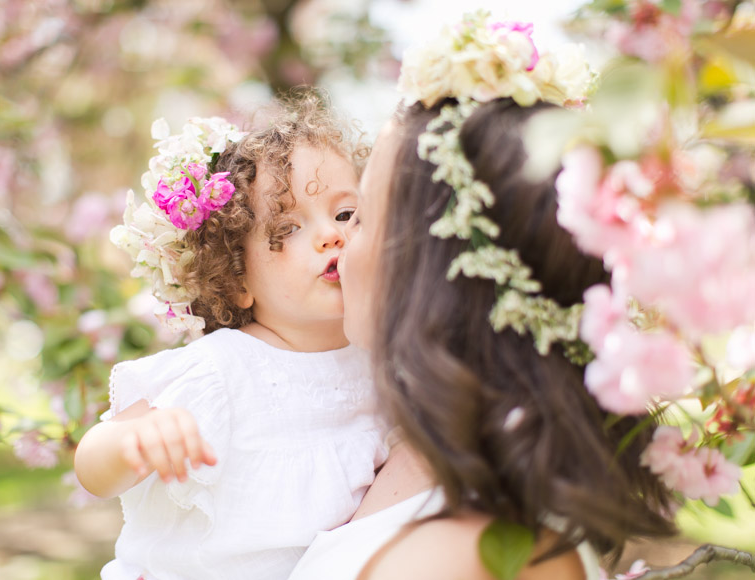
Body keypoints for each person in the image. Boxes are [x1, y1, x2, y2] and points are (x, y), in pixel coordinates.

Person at [289, 14, 675, 580]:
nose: (340, 248)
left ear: (429, 266)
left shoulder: (459, 558)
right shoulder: (401, 453)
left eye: (360, 217)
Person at [74, 95, 387, 580]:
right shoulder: (222, 370)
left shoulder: (378, 367)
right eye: (287, 227)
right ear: (237, 279)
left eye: (347, 214)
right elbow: (93, 465)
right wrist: (133, 440)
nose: (332, 235)